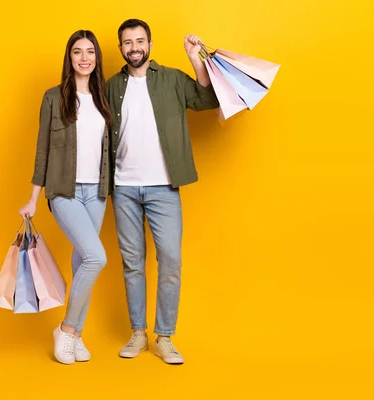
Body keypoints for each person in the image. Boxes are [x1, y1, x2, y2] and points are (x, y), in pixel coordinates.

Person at [106, 19, 219, 364]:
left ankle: (165, 337)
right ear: (121, 48)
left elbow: (206, 99)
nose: (134, 47)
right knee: (132, 263)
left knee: (170, 260)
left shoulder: (170, 79)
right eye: (128, 42)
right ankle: (138, 333)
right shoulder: (111, 85)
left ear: (150, 45)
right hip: (123, 187)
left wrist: (195, 57)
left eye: (140, 41)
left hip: (163, 187)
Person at [19, 29, 113, 365]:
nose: (84, 58)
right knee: (96, 258)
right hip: (64, 191)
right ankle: (67, 330)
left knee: (81, 263)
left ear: (97, 58)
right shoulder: (53, 97)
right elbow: (42, 150)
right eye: (77, 52)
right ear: (69, 57)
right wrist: (33, 197)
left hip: (97, 193)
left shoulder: (104, 97)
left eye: (90, 52)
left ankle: (76, 335)